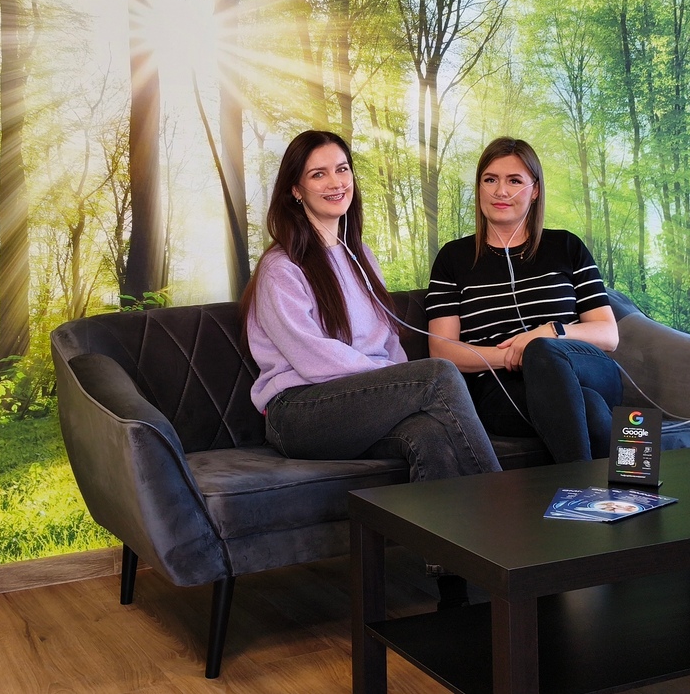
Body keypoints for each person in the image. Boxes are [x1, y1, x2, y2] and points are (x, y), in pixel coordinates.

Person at [241, 130, 501, 607]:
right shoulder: (281, 267)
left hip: (359, 407)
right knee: (439, 373)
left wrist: (400, 387)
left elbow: (389, 345)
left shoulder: (360, 256)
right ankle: (511, 527)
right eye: (318, 174)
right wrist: (396, 383)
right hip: (298, 413)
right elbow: (312, 357)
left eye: (342, 169)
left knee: (430, 434)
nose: (336, 182)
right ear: (295, 190)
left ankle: (454, 596)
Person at [425, 136, 622, 464]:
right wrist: (515, 355)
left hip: (585, 370)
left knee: (544, 349)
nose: (501, 191)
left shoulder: (566, 247)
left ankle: (576, 491)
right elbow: (442, 350)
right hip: (502, 390)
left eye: (514, 181)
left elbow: (608, 335)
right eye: (490, 180)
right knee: (589, 407)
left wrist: (546, 335)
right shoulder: (453, 258)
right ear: (479, 188)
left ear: (535, 190)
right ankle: (596, 491)